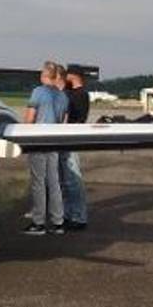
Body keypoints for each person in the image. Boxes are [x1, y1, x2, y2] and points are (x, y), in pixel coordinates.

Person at [23, 61, 68, 235]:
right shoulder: (63, 97)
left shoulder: (38, 92)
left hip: (39, 141)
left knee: (38, 182)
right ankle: (58, 222)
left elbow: (30, 118)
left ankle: (39, 222)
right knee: (54, 182)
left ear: (44, 75)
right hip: (54, 141)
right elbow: (64, 121)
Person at [59, 65, 90, 230]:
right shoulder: (71, 93)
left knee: (73, 180)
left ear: (74, 76)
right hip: (65, 139)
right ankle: (68, 214)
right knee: (66, 181)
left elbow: (76, 117)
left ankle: (78, 217)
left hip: (71, 139)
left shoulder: (80, 95)